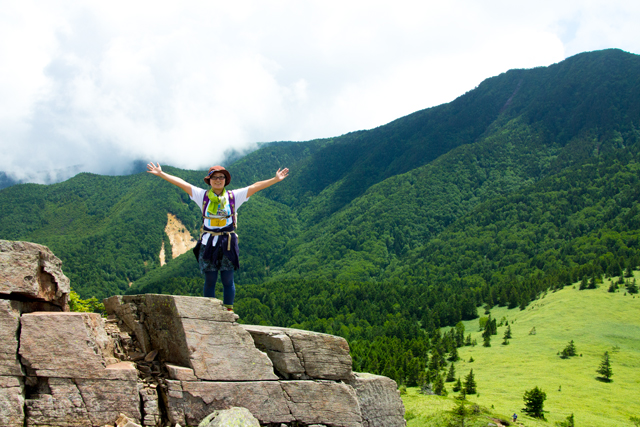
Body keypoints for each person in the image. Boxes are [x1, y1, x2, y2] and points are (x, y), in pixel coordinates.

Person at [146, 162, 289, 311]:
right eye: (214, 177)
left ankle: (228, 311)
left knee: (228, 279)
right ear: (209, 180)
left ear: (225, 180)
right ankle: (210, 312)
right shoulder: (202, 196)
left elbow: (255, 186)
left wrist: (275, 179)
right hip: (208, 242)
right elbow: (182, 183)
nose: (218, 180)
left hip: (227, 242)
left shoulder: (233, 196)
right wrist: (162, 174)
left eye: (221, 177)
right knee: (210, 279)